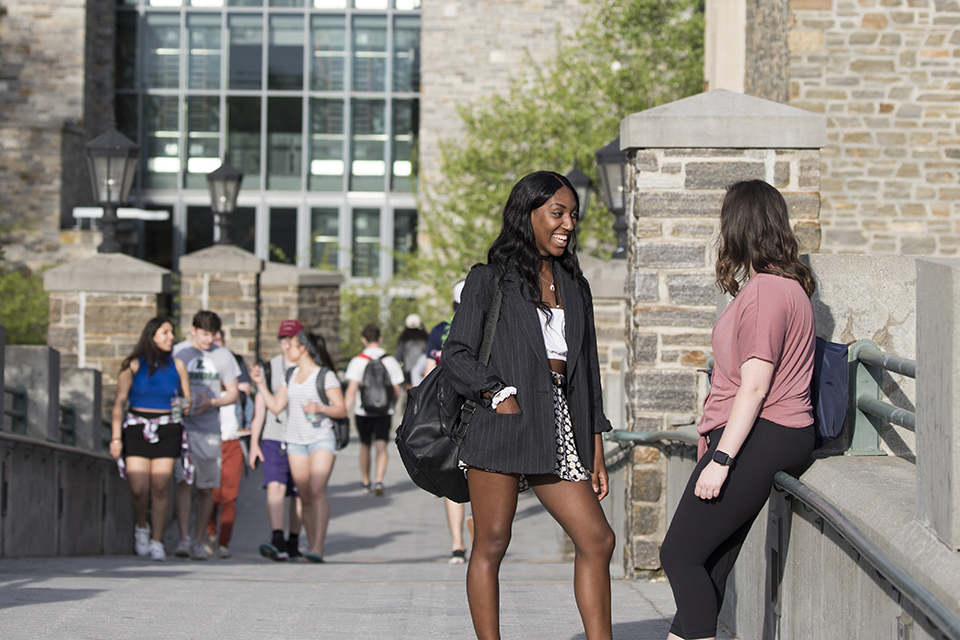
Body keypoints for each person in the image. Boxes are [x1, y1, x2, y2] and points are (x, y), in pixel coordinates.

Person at [442, 171, 615, 640]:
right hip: (503, 424)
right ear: (529, 214)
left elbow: (588, 372)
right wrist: (499, 394)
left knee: (598, 540)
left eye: (573, 215)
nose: (568, 224)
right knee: (493, 542)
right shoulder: (488, 279)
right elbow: (456, 353)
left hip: (560, 424)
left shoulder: (575, 287)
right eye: (557, 213)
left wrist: (594, 444)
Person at [658, 180, 817, 640]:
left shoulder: (767, 292)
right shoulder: (784, 286)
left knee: (679, 555)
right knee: (709, 563)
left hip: (762, 431)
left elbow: (755, 386)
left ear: (739, 226)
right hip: (772, 432)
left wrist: (721, 460)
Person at [251, 329, 346, 563]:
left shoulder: (325, 376)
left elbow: (341, 409)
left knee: (316, 490)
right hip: (294, 441)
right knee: (304, 496)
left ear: (302, 349)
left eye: (291, 345)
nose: (287, 349)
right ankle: (312, 545)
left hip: (321, 438)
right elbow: (275, 406)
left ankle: (318, 547)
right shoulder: (290, 375)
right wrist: (260, 384)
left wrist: (321, 408)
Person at [109, 316, 192, 562]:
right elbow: (119, 403)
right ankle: (141, 527)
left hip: (168, 428)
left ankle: (157, 540)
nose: (171, 337)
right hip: (137, 427)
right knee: (139, 488)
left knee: (160, 486)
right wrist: (115, 438)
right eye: (165, 332)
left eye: (172, 333)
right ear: (152, 335)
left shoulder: (178, 365)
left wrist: (185, 405)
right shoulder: (132, 365)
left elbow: (188, 400)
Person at [172, 310, 241, 560]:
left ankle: (199, 541)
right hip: (182, 428)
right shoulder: (178, 352)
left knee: (206, 488)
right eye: (204, 334)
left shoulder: (224, 356)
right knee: (183, 483)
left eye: (212, 335)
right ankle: (183, 539)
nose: (208, 340)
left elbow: (234, 393)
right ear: (193, 330)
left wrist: (211, 402)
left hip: (210, 429)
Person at [248, 319, 305, 561]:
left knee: (300, 492)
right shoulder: (270, 368)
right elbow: (260, 408)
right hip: (274, 437)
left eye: (291, 339)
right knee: (275, 486)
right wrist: (253, 444)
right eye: (283, 339)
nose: (286, 344)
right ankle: (277, 537)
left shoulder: (309, 368)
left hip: (302, 437)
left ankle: (293, 540)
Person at [423, 280, 471, 564]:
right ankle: (480, 528)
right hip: (479, 408)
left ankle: (457, 545)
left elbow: (428, 375)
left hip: (447, 409)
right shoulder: (486, 328)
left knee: (452, 473)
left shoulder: (440, 332)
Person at [204, 330, 256, 560]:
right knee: (211, 494)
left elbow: (246, 393)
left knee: (229, 496)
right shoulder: (202, 367)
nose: (216, 344)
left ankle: (224, 543)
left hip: (234, 440)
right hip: (211, 439)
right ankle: (209, 535)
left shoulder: (234, 362)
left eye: (218, 340)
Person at [343, 324, 404, 496]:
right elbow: (396, 389)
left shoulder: (357, 361)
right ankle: (379, 480)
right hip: (384, 411)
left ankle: (365, 481)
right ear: (380, 338)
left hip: (363, 411)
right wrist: (390, 404)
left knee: (364, 445)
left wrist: (344, 412)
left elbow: (352, 389)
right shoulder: (389, 360)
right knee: (381, 445)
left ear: (363, 339)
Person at [394, 314, 428, 387]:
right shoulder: (425, 338)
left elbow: (398, 356)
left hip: (408, 371)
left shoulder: (404, 339)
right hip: (423, 371)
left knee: (409, 394)